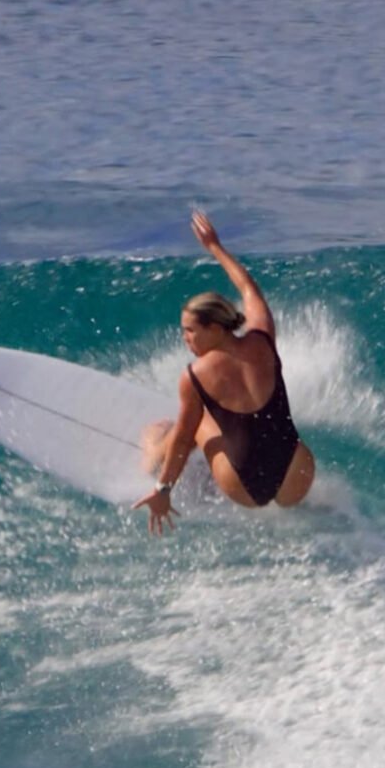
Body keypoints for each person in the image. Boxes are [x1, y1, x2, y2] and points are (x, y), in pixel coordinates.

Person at [133, 211, 315, 533]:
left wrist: (163, 490)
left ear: (215, 329)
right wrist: (215, 247)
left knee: (191, 424)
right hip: (297, 478)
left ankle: (151, 457)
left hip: (244, 489)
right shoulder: (262, 339)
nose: (185, 338)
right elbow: (249, 290)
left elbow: (183, 441)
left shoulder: (195, 376)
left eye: (190, 331)